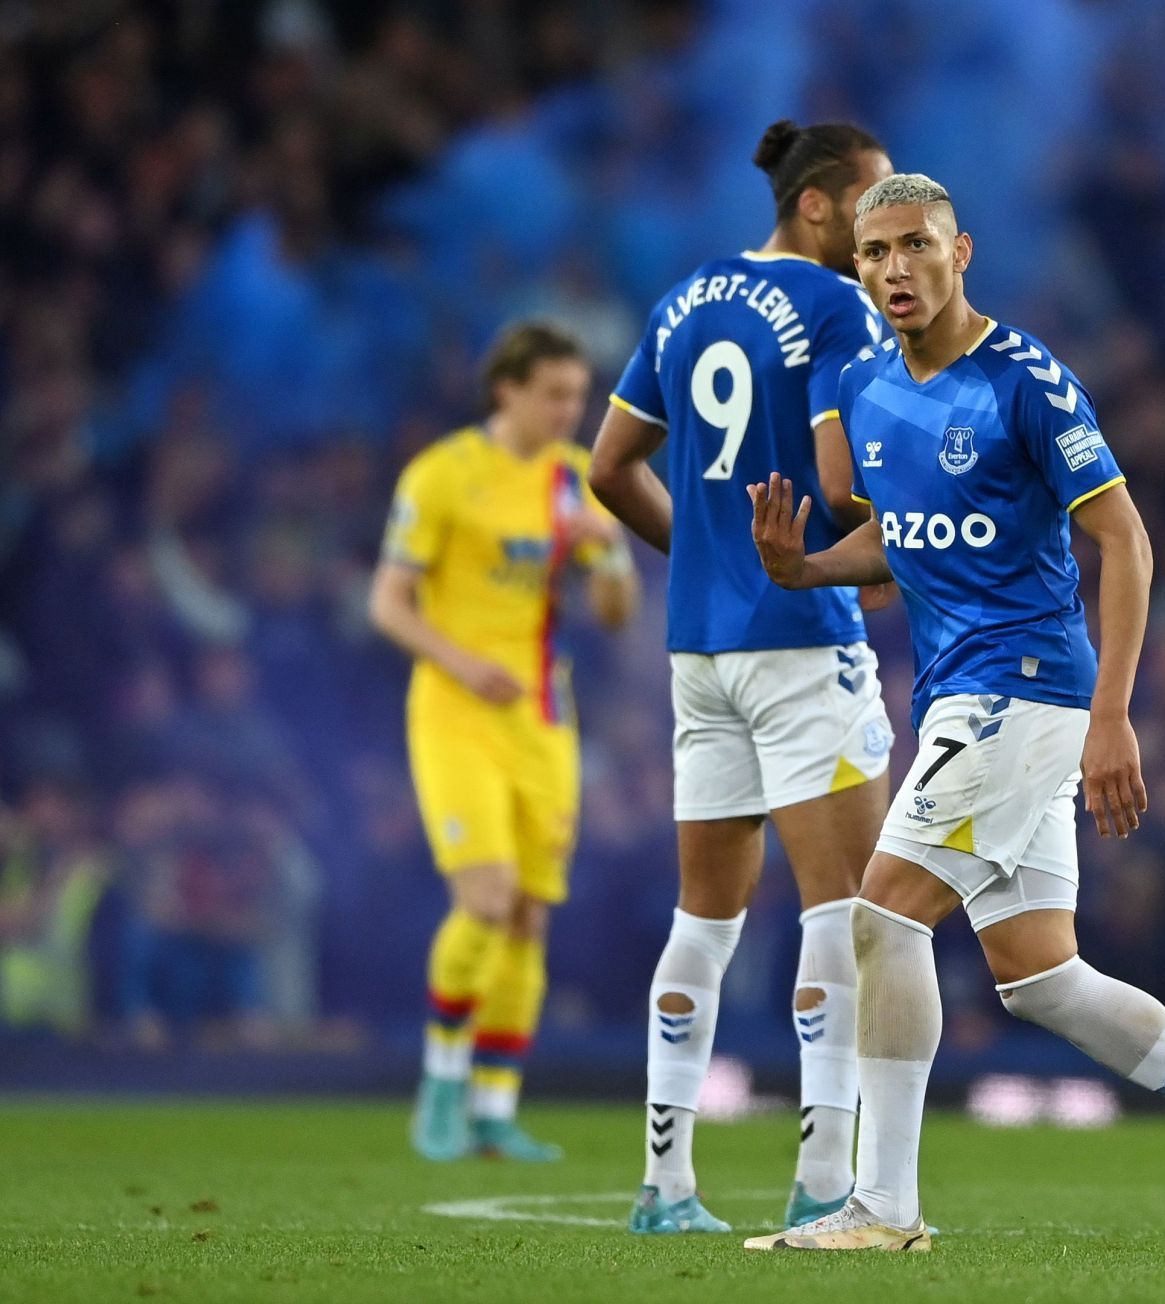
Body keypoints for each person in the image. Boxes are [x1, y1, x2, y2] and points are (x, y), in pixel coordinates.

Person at [742, 174, 1165, 1254]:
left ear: (960, 251)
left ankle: (883, 1206)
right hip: (962, 695)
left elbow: (1126, 539)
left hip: (1022, 687)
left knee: (879, 918)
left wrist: (1113, 711)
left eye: (914, 246)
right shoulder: (872, 388)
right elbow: (903, 539)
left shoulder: (1026, 382)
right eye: (874, 253)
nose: (892, 270)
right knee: (1041, 980)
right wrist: (807, 567)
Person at [588, 120, 897, 1234]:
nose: (883, 234)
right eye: (871, 205)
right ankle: (823, 1184)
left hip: (699, 650)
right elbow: (837, 478)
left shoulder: (681, 300)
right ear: (818, 205)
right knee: (843, 912)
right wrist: (890, 541)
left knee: (704, 920)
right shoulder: (833, 306)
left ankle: (664, 1185)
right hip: (803, 632)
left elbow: (608, 468)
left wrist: (706, 554)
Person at [369, 320, 637, 1161]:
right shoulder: (445, 475)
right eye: (555, 393)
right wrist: (462, 663)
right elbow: (387, 602)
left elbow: (616, 618)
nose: (571, 410)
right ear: (506, 390)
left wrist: (615, 555)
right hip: (454, 712)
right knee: (482, 900)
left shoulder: (575, 482)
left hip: (542, 722)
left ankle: (495, 1106)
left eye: (579, 395)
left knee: (527, 917)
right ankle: (440, 1087)